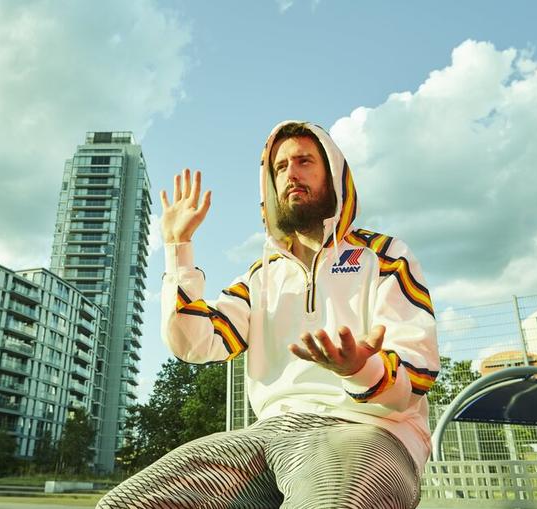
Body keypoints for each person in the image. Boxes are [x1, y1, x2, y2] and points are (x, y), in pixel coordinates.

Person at [97, 120, 439, 509]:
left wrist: (360, 367)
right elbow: (195, 343)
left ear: (334, 174)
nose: (291, 173)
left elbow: (417, 373)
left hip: (369, 428)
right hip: (268, 432)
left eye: (304, 161)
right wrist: (179, 246)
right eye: (280, 167)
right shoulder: (260, 276)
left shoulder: (385, 256)